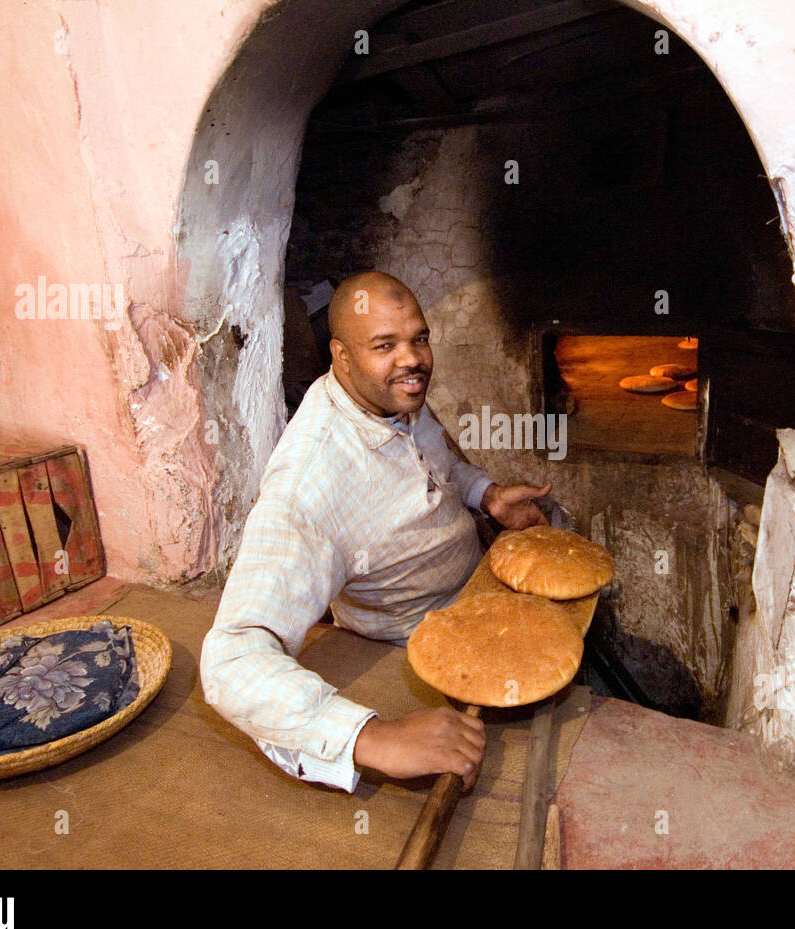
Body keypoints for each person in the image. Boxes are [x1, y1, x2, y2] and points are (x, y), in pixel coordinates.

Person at [200, 271, 552, 793]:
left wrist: (488, 496)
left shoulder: (393, 396)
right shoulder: (310, 482)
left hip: (481, 590)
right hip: (418, 645)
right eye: (385, 345)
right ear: (341, 356)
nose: (412, 360)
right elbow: (231, 659)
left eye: (420, 339)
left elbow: (441, 462)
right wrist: (372, 737)